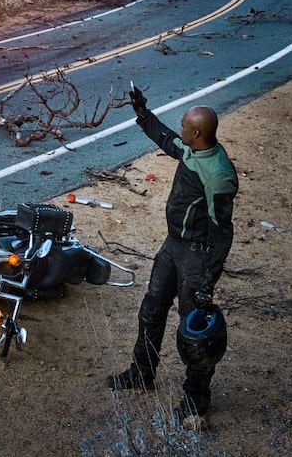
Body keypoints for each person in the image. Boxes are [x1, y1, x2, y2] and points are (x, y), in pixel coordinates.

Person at [106, 87, 239, 429]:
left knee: (195, 332)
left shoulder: (219, 175)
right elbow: (166, 139)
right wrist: (142, 112)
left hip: (195, 257)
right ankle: (141, 372)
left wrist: (208, 281)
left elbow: (222, 232)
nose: (179, 129)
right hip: (172, 246)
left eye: (184, 126)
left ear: (196, 133)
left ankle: (195, 402)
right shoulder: (191, 149)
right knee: (151, 310)